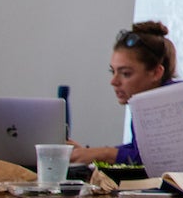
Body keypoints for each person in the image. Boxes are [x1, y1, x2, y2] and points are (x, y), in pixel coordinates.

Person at [69, 20, 176, 165]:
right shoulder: (142, 104)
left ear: (156, 72)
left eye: (125, 73)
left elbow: (153, 159)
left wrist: (103, 154)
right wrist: (89, 152)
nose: (113, 81)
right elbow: (138, 150)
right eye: (112, 71)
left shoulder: (174, 104)